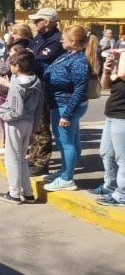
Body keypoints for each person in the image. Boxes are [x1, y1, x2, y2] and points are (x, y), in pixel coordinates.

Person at [42, 25, 98, 192]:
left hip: (65, 105)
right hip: (60, 104)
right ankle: (65, 171)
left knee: (65, 143)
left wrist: (67, 115)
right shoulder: (69, 55)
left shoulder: (79, 60)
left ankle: (67, 179)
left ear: (73, 41)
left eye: (64, 38)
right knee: (72, 141)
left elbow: (80, 89)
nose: (61, 39)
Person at [0, 48, 44, 204]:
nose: (10, 67)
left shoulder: (17, 85)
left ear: (17, 66)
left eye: (12, 64)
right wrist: (34, 126)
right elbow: (39, 107)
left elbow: (16, 110)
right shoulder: (36, 82)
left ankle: (14, 193)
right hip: (29, 123)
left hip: (16, 123)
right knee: (22, 158)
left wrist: (3, 114)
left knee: (12, 159)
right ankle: (28, 193)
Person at [26, 7, 65, 176]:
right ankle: (33, 157)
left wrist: (29, 57)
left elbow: (37, 60)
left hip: (45, 88)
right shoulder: (38, 38)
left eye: (37, 20)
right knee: (35, 125)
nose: (34, 23)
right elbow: (28, 57)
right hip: (34, 85)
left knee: (42, 126)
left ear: (47, 22)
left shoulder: (56, 40)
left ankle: (42, 162)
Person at [0, 24, 32, 155]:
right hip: (9, 87)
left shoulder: (18, 48)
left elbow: (8, 67)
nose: (11, 35)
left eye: (14, 33)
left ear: (20, 35)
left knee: (7, 117)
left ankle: (9, 145)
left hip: (9, 88)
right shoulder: (23, 47)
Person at [95, 47, 125, 206]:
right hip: (112, 115)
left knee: (123, 158)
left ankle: (123, 195)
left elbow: (121, 74)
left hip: (123, 117)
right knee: (106, 153)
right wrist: (106, 70)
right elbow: (105, 85)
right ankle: (111, 187)